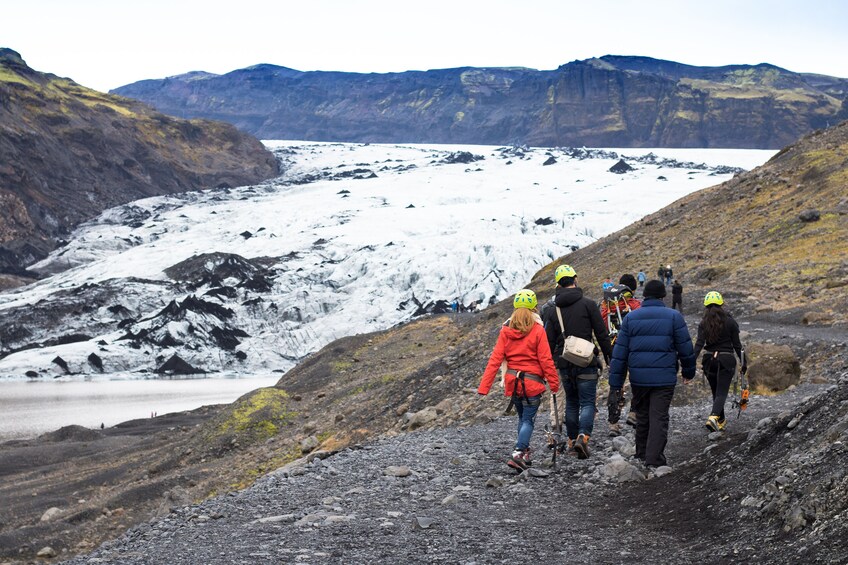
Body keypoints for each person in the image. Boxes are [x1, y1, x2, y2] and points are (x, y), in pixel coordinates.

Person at [608, 280, 696, 469]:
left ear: (645, 296)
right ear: (663, 296)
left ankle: (641, 453)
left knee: (642, 415)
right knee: (659, 416)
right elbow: (685, 348)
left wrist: (616, 383)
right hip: (664, 378)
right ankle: (654, 459)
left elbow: (620, 353)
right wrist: (689, 371)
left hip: (639, 378)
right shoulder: (674, 317)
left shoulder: (631, 318)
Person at [478, 289, 559, 471]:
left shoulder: (506, 331)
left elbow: (495, 359)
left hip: (512, 382)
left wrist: (485, 387)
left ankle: (525, 453)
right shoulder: (538, 330)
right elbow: (545, 359)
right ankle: (518, 452)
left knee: (522, 418)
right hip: (532, 383)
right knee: (528, 420)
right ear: (534, 308)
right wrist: (554, 384)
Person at [543, 265, 613, 459]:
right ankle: (583, 436)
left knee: (572, 402)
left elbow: (547, 343)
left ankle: (572, 440)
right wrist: (609, 356)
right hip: (586, 361)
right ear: (575, 279)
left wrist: (548, 366)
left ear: (558, 283)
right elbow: (601, 333)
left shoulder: (551, 310)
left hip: (564, 363)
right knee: (587, 402)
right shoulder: (589, 304)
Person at [693, 291, 746, 433]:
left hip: (708, 360)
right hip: (726, 359)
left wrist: (691, 362)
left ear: (706, 306)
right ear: (722, 304)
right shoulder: (730, 322)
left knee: (716, 392)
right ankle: (714, 416)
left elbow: (699, 344)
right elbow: (737, 345)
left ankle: (720, 421)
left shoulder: (703, 323)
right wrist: (744, 363)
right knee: (722, 392)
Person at [600, 274, 642, 436]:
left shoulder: (606, 306)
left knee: (616, 384)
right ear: (633, 288)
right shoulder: (636, 305)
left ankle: (613, 423)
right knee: (638, 380)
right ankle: (633, 413)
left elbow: (602, 327)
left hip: (614, 348)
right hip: (633, 348)